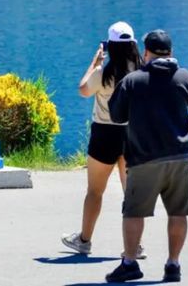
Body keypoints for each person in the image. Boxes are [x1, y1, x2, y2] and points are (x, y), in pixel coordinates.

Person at [105, 29, 188, 283]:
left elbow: (116, 116)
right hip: (180, 158)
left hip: (144, 159)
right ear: (171, 52)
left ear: (146, 53)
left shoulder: (133, 81)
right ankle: (173, 265)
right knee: (178, 212)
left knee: (133, 212)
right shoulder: (182, 76)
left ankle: (129, 263)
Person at [62, 21, 145, 258]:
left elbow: (83, 90)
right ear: (133, 46)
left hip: (104, 134)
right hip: (133, 134)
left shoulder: (103, 74)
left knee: (95, 191)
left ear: (111, 47)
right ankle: (134, 246)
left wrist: (95, 61)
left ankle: (85, 240)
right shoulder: (141, 72)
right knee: (132, 194)